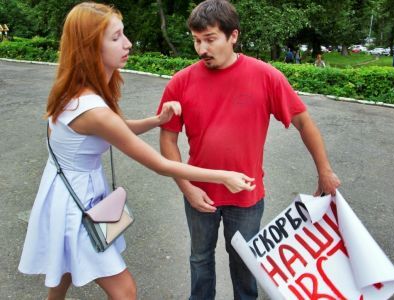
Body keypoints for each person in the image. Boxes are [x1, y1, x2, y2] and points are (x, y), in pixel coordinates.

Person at [18, 3, 256, 300]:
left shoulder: (79, 90)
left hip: (67, 193)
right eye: (116, 37)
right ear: (91, 46)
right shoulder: (91, 108)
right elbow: (158, 164)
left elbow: (117, 127)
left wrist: (157, 121)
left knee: (63, 275)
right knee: (125, 291)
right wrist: (223, 176)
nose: (128, 43)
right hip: (75, 205)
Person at [157, 0, 341, 299]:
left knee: (246, 263)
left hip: (246, 196)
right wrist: (186, 187)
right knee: (199, 259)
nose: (202, 49)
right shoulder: (181, 82)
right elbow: (168, 140)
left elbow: (304, 123)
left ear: (233, 36)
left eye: (210, 39)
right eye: (196, 40)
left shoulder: (266, 76)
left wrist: (325, 171)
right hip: (198, 194)